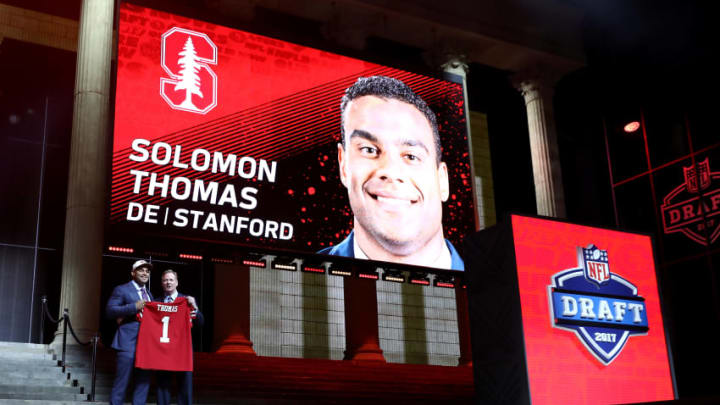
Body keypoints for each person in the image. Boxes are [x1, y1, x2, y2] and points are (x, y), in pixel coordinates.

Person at [319, 75, 464, 270]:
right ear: (344, 165)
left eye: (411, 156)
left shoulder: (500, 286)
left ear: (442, 181)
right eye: (369, 150)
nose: (391, 171)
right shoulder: (300, 281)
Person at [106, 259, 154, 405]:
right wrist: (133, 307)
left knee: (143, 384)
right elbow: (110, 311)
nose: (145, 273)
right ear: (132, 273)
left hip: (146, 345)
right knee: (121, 384)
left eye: (147, 271)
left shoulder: (149, 294)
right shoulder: (122, 289)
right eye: (141, 270)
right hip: (127, 344)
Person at [155, 269, 203, 405]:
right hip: (163, 351)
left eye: (171, 280)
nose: (168, 282)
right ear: (162, 283)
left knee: (185, 388)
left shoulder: (186, 300)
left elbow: (200, 322)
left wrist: (194, 307)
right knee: (162, 386)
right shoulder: (156, 302)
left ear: (177, 282)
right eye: (165, 280)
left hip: (182, 351)